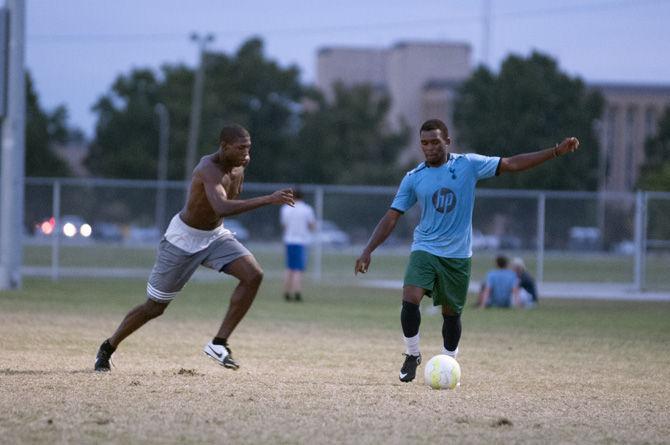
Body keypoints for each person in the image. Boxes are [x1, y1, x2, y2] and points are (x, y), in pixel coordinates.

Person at [354, 118, 580, 383]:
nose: (429, 148)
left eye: (435, 142)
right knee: (410, 297)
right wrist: (368, 249)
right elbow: (392, 216)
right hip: (425, 248)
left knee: (451, 315)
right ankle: (412, 354)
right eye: (424, 143)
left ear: (447, 141)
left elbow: (511, 163)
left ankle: (449, 361)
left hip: (458, 255)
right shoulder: (413, 177)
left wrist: (554, 152)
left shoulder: (468, 165)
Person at [94, 124, 295, 372]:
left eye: (249, 148)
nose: (246, 154)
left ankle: (219, 343)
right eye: (241, 148)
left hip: (214, 236)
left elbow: (223, 207)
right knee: (154, 307)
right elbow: (222, 206)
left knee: (254, 275)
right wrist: (269, 199)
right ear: (224, 147)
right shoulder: (207, 169)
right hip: (183, 240)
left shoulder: (240, 165)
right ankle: (108, 347)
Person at [280, 188, 316, 302]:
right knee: (298, 269)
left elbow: (284, 225)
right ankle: (297, 292)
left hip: (289, 240)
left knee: (289, 268)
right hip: (301, 241)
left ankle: (286, 292)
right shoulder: (307, 209)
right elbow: (312, 225)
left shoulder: (285, 208)